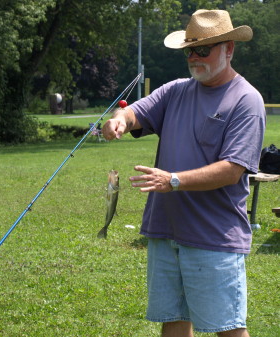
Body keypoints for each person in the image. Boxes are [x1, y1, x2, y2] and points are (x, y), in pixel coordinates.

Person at [102, 9, 265, 337]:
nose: (194, 57)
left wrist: (173, 180)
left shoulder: (246, 100)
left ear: (229, 48)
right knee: (173, 322)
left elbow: (232, 170)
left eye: (203, 49)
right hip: (166, 232)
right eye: (190, 50)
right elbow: (137, 112)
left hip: (214, 238)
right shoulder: (175, 90)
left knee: (228, 328)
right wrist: (119, 121)